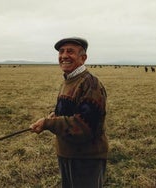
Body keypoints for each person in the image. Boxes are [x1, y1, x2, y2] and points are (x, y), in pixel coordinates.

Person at [30, 37, 108, 188]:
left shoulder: (90, 84)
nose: (64, 56)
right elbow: (67, 110)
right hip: (67, 152)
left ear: (83, 58)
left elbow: (84, 126)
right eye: (61, 51)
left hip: (86, 157)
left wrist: (48, 123)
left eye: (70, 52)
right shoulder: (68, 80)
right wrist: (54, 115)